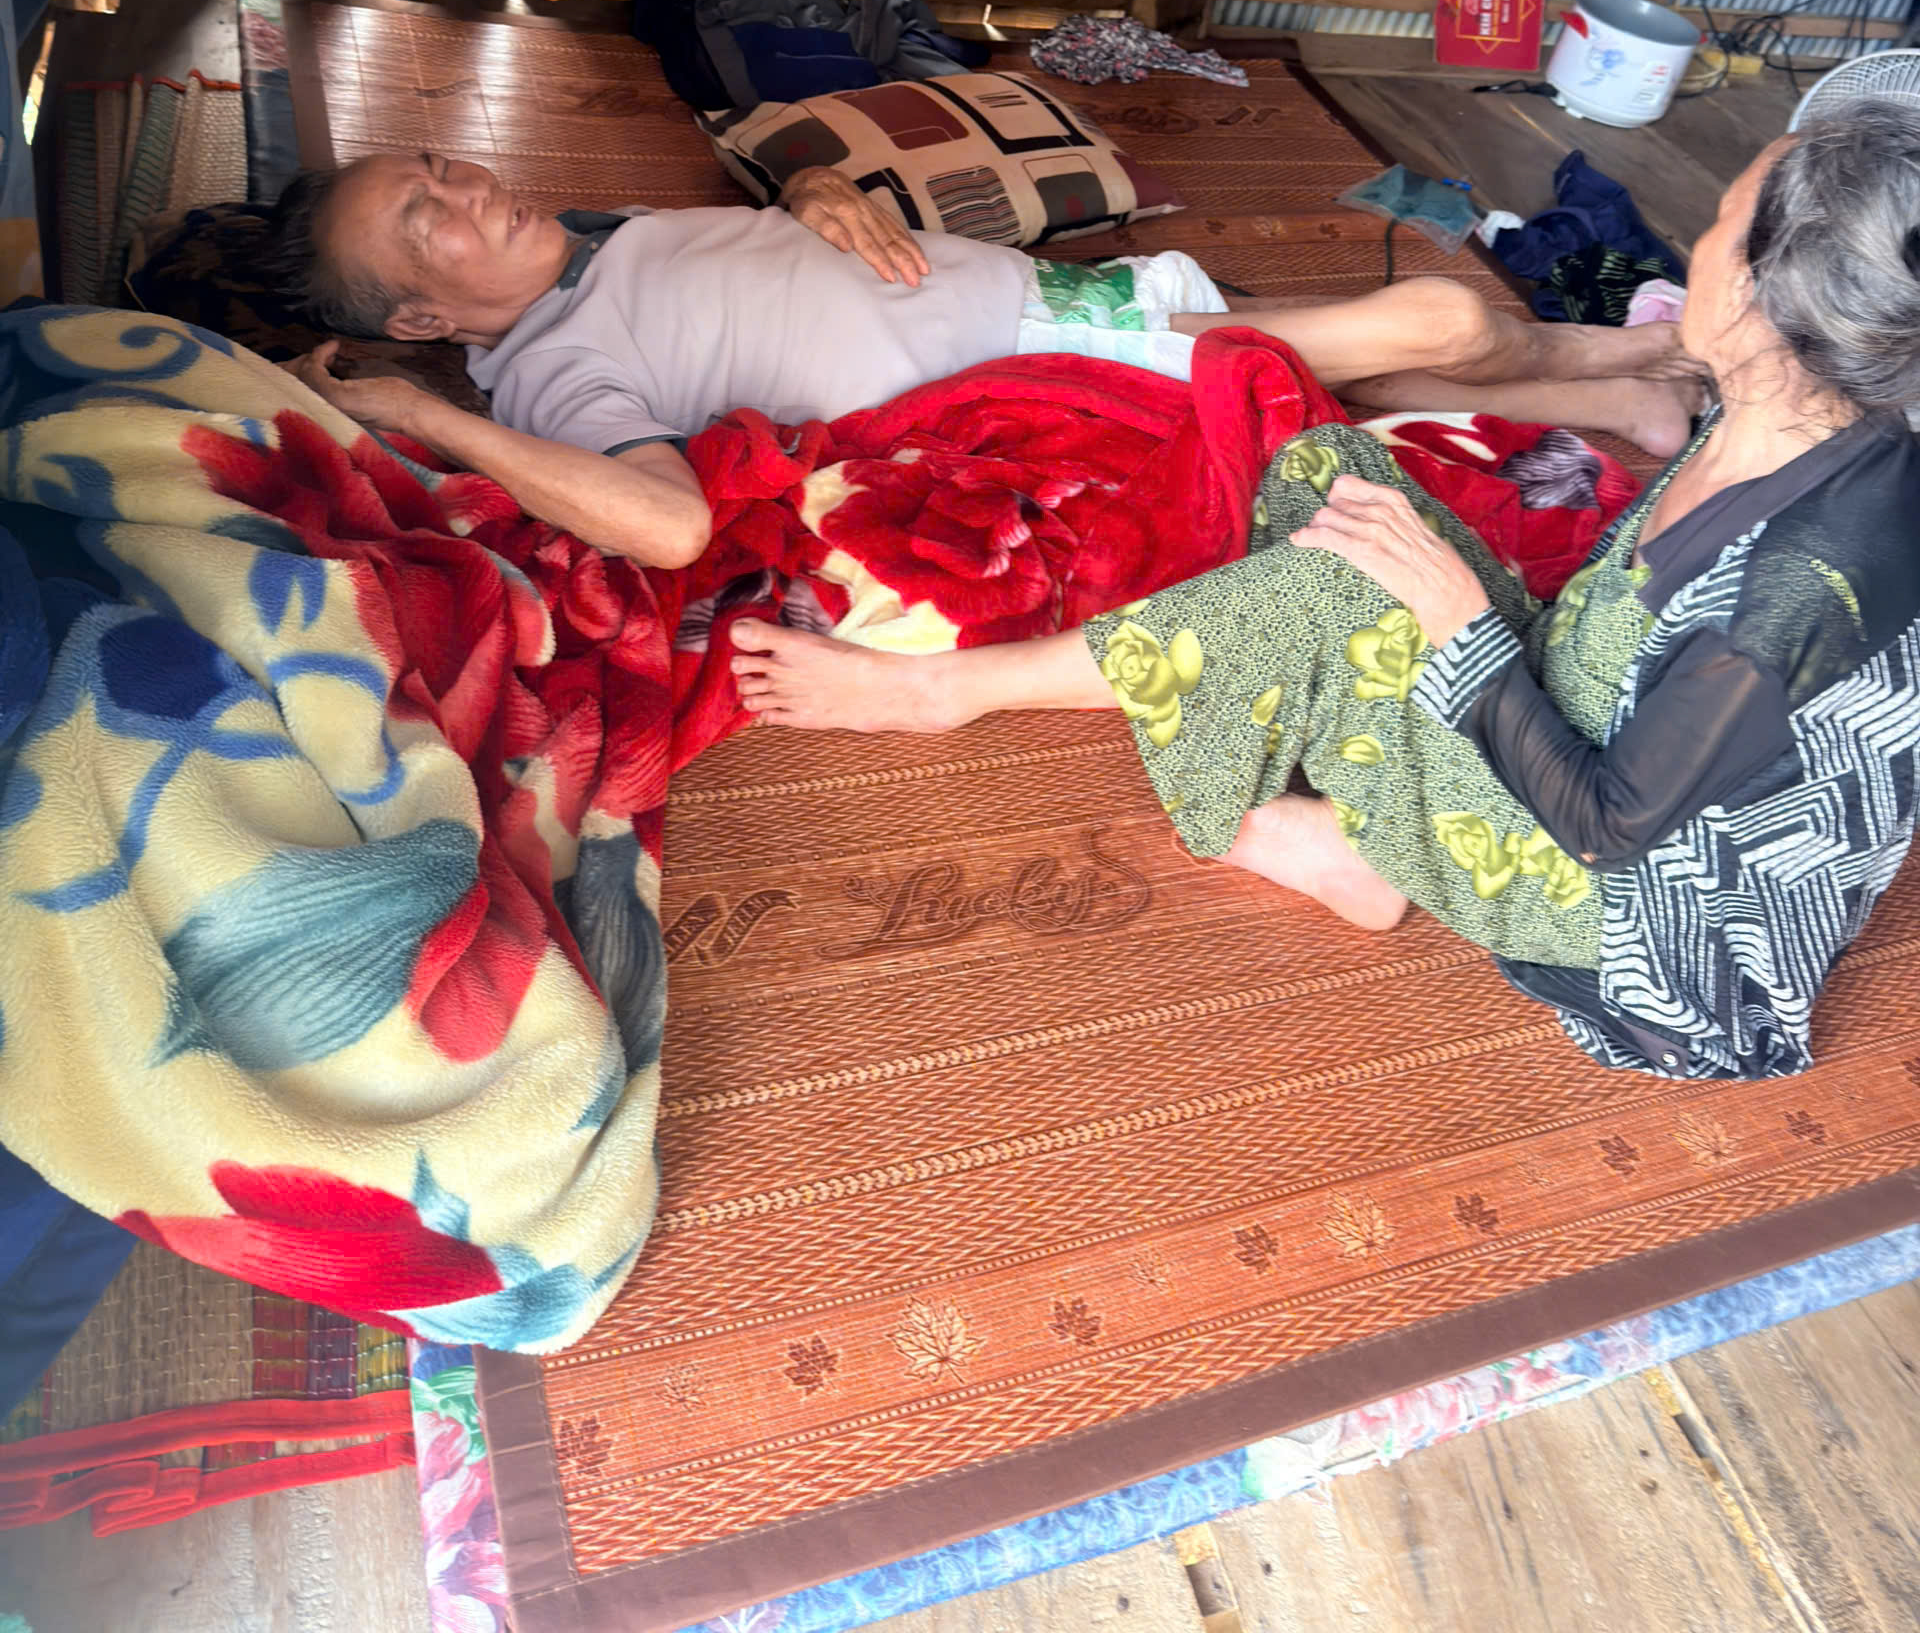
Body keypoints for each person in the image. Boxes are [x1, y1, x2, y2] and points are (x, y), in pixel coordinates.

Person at [731, 100, 1920, 1081]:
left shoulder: (1801, 579)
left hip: (1629, 913)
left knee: (1315, 592)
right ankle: (1364, 839)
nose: (1693, 248)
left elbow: (1607, 823)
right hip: (1583, 717)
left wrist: (1457, 619)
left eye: (1717, 226)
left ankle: (948, 694)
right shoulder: (1797, 403)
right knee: (1324, 472)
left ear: (1764, 299)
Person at [266, 150, 1698, 572]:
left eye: (443, 166)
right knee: (1438, 320)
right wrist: (418, 419)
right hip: (1040, 366)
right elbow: (665, 522)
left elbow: (749, 261)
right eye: (431, 219)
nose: (469, 188)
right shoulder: (550, 370)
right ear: (422, 322)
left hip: (1056, 299)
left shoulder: (603, 237)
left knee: (1365, 378)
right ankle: (1677, 343)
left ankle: (1630, 393)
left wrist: (807, 195)